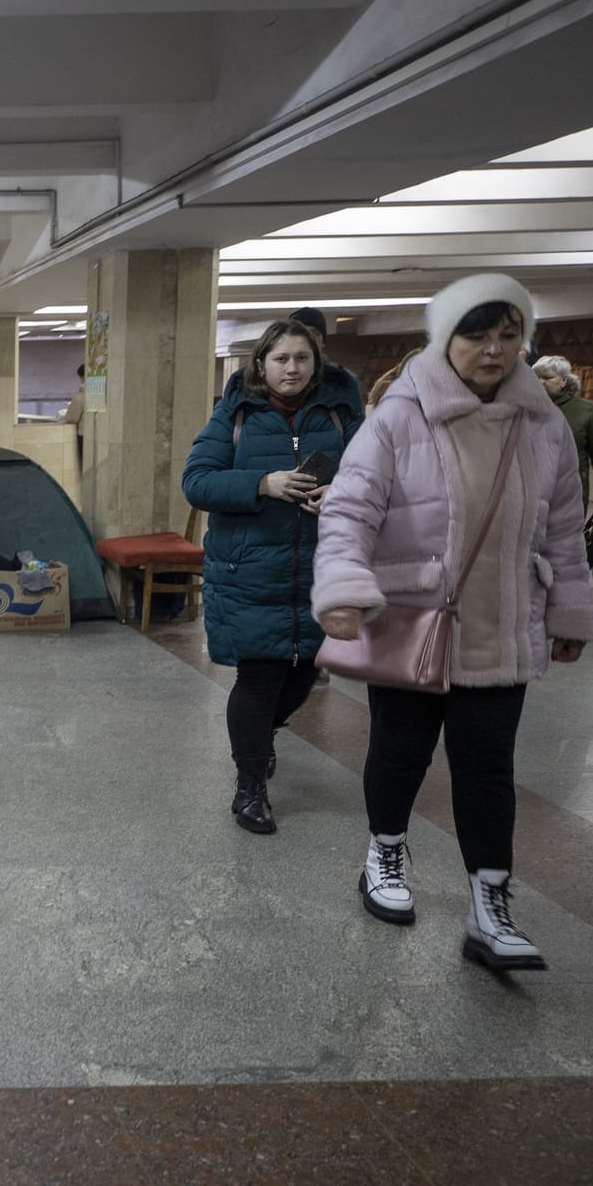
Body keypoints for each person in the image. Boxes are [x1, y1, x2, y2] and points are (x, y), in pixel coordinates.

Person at [313, 274, 593, 971]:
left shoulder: (545, 424)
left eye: (509, 335)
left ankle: (489, 904)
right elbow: (350, 511)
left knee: (488, 769)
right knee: (400, 753)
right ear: (446, 338)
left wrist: (570, 612)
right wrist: (345, 589)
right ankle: (384, 853)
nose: (494, 350)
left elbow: (563, 528)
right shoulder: (400, 416)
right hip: (416, 617)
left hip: (503, 625)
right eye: (477, 334)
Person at [183, 316, 364, 834]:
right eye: (281, 359)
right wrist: (262, 483)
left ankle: (263, 737)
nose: (292, 368)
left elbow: (380, 471)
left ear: (317, 362)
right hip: (249, 572)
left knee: (306, 669)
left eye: (302, 359)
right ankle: (250, 785)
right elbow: (197, 481)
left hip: (319, 568)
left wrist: (343, 491)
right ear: (262, 364)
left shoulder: (339, 412)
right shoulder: (236, 412)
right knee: (259, 676)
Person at [533, 354, 593, 512]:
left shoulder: (584, 411)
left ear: (564, 381)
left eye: (547, 377)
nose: (540, 382)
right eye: (535, 377)